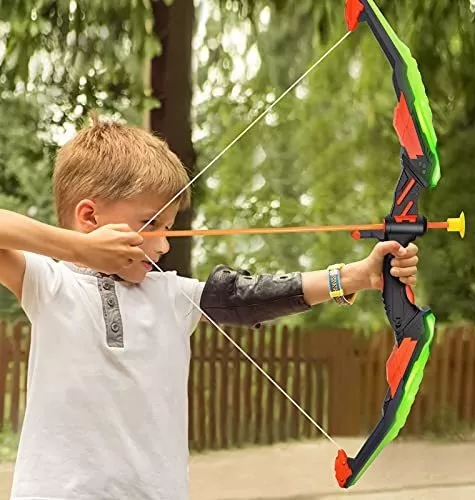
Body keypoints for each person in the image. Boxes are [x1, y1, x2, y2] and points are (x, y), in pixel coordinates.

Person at [0, 118, 419, 500]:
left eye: (169, 228)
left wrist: (355, 277)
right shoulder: (50, 284)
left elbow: (247, 296)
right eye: (152, 225)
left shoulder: (169, 295)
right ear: (89, 216)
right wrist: (79, 249)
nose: (164, 244)